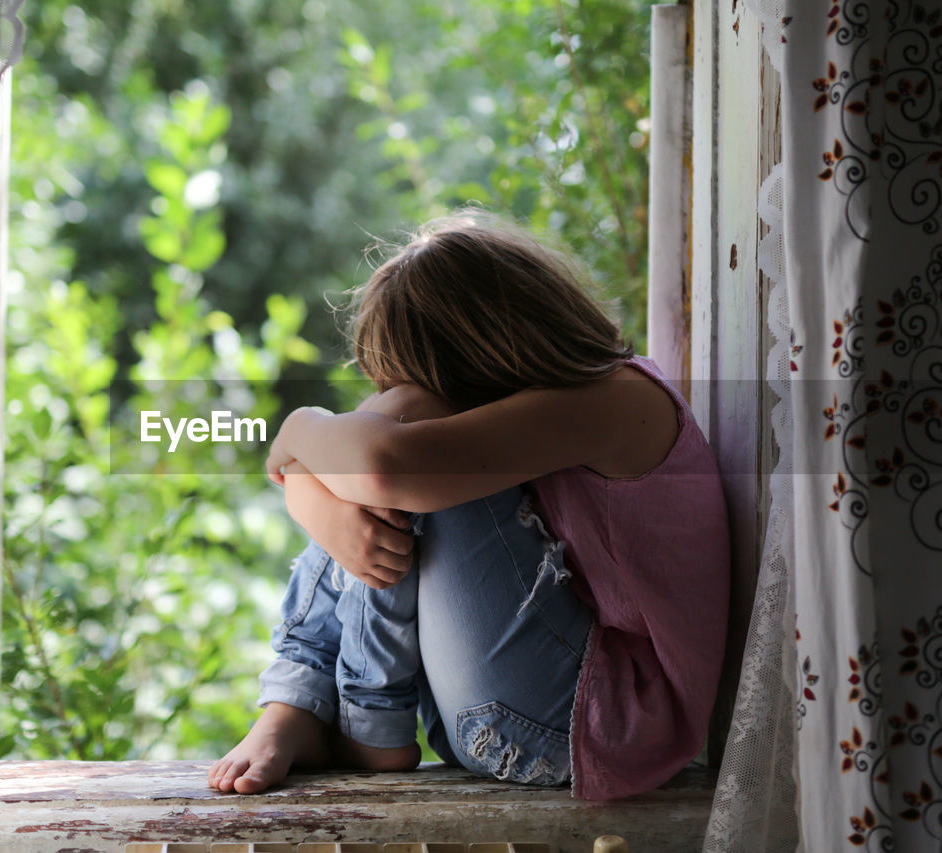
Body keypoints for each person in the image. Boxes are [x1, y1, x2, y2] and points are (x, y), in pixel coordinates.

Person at [206, 211, 731, 799]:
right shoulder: (556, 402)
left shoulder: (617, 398)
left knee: (400, 439)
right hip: (503, 710)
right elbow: (366, 462)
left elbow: (383, 464)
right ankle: (294, 707)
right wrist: (319, 500)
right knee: (384, 443)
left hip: (593, 724)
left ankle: (361, 720)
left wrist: (299, 427)